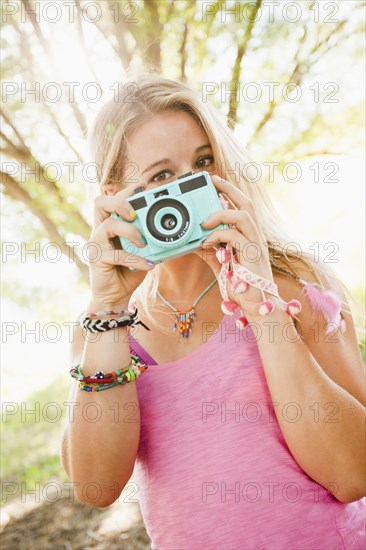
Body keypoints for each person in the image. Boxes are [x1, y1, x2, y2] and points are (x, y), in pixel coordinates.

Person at [61, 74, 366, 550]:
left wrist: (264, 310)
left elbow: (353, 474)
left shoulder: (293, 283)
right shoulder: (107, 330)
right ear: (115, 198)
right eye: (161, 176)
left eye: (203, 163)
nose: (191, 189)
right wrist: (108, 308)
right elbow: (97, 487)